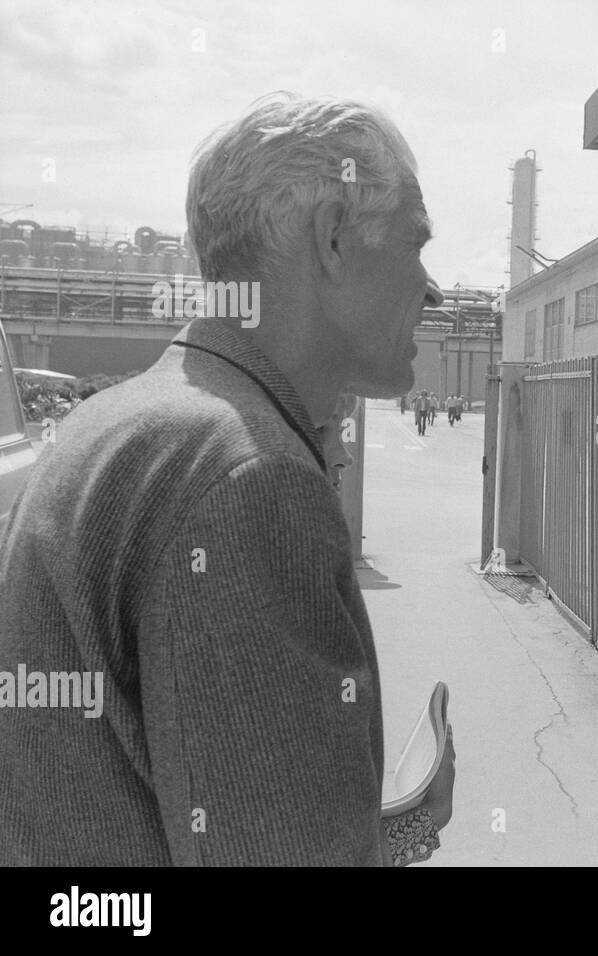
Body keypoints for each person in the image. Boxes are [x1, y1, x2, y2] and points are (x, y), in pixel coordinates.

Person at [0, 93, 453, 865]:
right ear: (335, 237)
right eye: (416, 244)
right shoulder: (248, 478)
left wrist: (378, 827)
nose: (434, 288)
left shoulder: (131, 421)